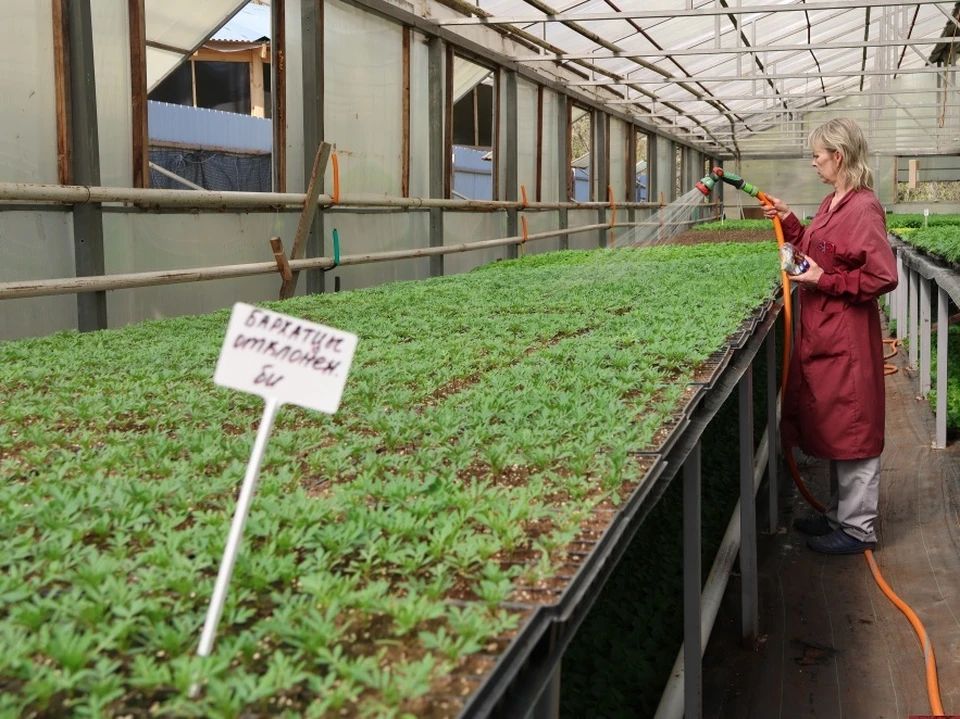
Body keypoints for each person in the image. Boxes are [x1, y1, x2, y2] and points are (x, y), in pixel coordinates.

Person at [761, 117, 898, 555]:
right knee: (838, 425)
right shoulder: (832, 202)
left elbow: (881, 274)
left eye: (818, 156)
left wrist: (827, 281)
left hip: (847, 335)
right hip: (824, 332)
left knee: (853, 428)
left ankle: (858, 530)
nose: (814, 162)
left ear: (838, 157)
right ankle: (839, 516)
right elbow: (817, 251)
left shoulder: (863, 208)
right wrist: (790, 221)